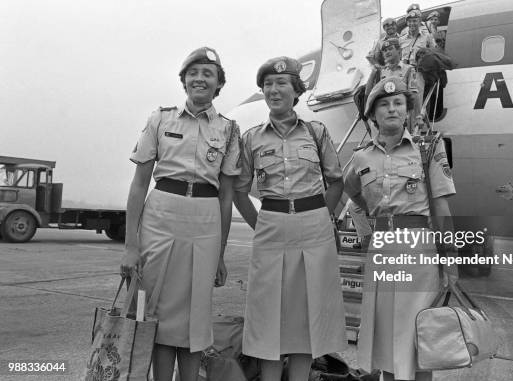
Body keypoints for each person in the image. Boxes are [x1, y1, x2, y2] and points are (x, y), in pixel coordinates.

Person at [120, 47, 241, 381]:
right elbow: (139, 184)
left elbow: (227, 195)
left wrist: (220, 254)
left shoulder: (230, 130)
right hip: (161, 215)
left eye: (208, 73)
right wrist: (131, 246)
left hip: (205, 220)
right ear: (184, 80)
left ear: (218, 85)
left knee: (196, 315)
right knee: (157, 311)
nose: (200, 78)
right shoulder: (160, 119)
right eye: (194, 72)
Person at [233, 56, 347, 381]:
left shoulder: (316, 132)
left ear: (296, 90)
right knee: (267, 317)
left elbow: (336, 180)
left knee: (306, 318)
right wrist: (261, 225)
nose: (273, 89)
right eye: (267, 84)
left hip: (314, 226)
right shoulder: (251, 138)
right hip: (272, 224)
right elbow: (241, 190)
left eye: (281, 83)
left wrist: (324, 218)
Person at [343, 77, 458, 381]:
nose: (391, 109)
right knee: (386, 337)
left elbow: (443, 208)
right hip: (382, 249)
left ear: (407, 111)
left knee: (418, 336)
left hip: (418, 249)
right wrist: (367, 231)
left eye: (398, 103)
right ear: (373, 114)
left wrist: (450, 259)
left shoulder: (428, 149)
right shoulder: (361, 157)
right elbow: (352, 194)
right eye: (384, 104)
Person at [365, 38, 424, 133]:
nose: (387, 52)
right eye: (384, 50)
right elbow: (369, 93)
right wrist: (372, 74)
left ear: (398, 50)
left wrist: (418, 116)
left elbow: (414, 94)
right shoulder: (381, 72)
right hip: (386, 114)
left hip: (402, 112)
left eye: (390, 49)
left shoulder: (409, 69)